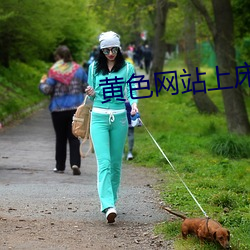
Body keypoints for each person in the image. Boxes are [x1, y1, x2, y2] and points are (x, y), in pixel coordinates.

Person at [85, 31, 138, 223]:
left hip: (120, 119)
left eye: (114, 49)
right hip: (98, 118)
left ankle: (112, 202)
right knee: (104, 163)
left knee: (116, 164)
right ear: (101, 50)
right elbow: (91, 97)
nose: (110, 53)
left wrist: (134, 104)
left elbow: (132, 91)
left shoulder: (128, 68)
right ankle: (107, 204)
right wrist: (90, 92)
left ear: (119, 48)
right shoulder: (94, 68)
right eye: (106, 50)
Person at [39, 45, 88, 175]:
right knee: (74, 137)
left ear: (58, 57)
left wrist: (42, 83)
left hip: (58, 109)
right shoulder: (79, 69)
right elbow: (86, 87)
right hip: (75, 109)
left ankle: (60, 166)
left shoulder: (54, 71)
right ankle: (75, 163)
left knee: (60, 138)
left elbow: (47, 90)